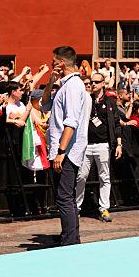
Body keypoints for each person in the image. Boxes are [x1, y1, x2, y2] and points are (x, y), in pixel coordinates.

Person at [41, 45, 91, 246]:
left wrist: (61, 152)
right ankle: (71, 237)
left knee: (64, 197)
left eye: (54, 62)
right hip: (64, 150)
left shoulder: (73, 86)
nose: (52, 65)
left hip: (67, 151)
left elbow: (71, 122)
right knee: (65, 197)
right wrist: (51, 81)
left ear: (61, 63)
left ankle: (70, 241)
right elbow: (45, 104)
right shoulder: (65, 85)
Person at [76, 71, 121, 223]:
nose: (93, 84)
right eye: (91, 82)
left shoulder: (110, 102)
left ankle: (104, 208)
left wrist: (119, 144)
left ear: (103, 84)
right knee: (81, 176)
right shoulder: (85, 99)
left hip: (103, 144)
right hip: (86, 144)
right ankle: (76, 207)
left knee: (104, 177)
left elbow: (116, 123)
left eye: (96, 82)